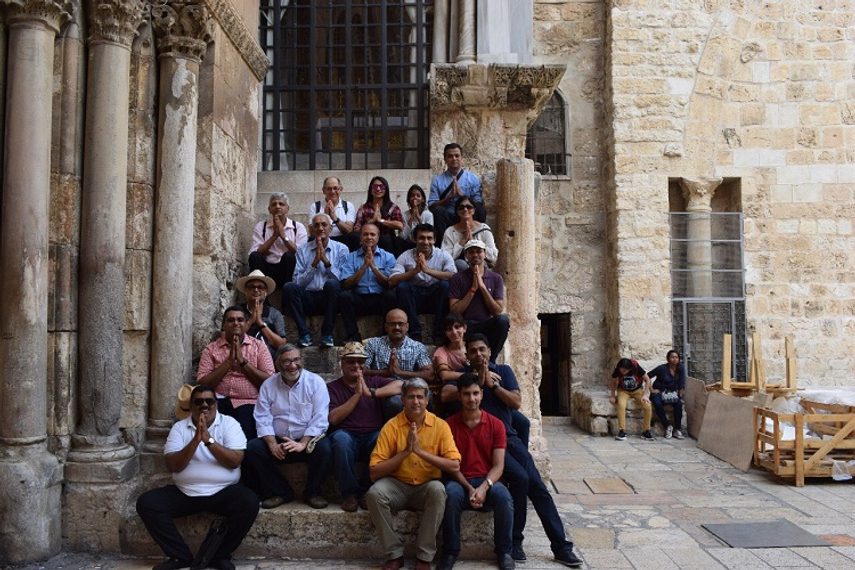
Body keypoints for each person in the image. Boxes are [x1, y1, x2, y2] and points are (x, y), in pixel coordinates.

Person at [440, 335, 583, 568]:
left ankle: (561, 547)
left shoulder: (503, 372)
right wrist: (478, 380)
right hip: (485, 443)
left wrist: (493, 385)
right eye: (473, 351)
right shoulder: (465, 379)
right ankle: (514, 542)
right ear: (467, 355)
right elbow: (445, 395)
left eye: (482, 350)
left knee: (538, 487)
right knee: (520, 478)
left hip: (509, 439)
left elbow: (516, 402)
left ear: (489, 351)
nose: (479, 355)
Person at [136, 385, 259, 570]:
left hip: (223, 492)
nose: (204, 406)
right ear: (191, 406)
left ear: (216, 405)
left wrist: (208, 440)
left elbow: (235, 461)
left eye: (209, 401)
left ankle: (219, 556)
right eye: (198, 402)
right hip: (186, 492)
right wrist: (195, 440)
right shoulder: (179, 428)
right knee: (147, 503)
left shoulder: (229, 424)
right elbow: (174, 465)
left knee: (249, 501)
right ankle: (179, 556)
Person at [365, 378, 462, 570]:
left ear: (427, 400)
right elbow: (374, 472)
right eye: (411, 397)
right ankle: (394, 555)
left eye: (420, 397)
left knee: (438, 490)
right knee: (374, 494)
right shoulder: (391, 426)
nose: (415, 402)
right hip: (397, 485)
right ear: (402, 400)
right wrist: (405, 452)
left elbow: (454, 466)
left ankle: (424, 557)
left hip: (426, 486)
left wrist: (419, 451)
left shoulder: (440, 426)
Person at [438, 374, 515, 570]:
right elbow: (450, 465)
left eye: (475, 393)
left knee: (504, 496)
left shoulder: (496, 424)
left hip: (487, 481)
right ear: (459, 396)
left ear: (481, 394)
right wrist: (470, 489)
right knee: (451, 494)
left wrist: (483, 487)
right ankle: (450, 552)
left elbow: (499, 466)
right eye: (466, 394)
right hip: (459, 480)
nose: (471, 399)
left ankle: (504, 551)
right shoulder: (448, 425)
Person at [246, 344, 333, 509]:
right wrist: (271, 444)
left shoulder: (315, 382)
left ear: (301, 360)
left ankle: (312, 492)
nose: (293, 366)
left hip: (307, 441)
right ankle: (281, 492)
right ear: (277, 364)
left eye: (296, 360)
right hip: (279, 443)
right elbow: (263, 417)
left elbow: (320, 418)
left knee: (325, 449)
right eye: (286, 362)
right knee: (253, 448)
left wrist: (303, 443)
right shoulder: (268, 385)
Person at [327, 341, 403, 512]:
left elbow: (401, 385)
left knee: (382, 438)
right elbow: (333, 418)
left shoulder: (374, 380)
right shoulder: (332, 387)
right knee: (340, 440)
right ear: (342, 364)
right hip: (347, 434)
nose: (356, 365)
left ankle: (365, 490)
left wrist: (372, 392)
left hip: (372, 434)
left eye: (360, 362)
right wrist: (357, 395)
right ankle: (349, 493)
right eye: (351, 361)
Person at [197, 306, 275, 440]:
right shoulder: (211, 349)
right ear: (223, 324)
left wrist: (242, 362)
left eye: (240, 320)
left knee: (245, 434)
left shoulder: (259, 346)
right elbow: (203, 383)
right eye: (230, 320)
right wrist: (228, 363)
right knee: (213, 433)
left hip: (249, 402)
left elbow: (270, 381)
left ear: (246, 324)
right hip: (219, 401)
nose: (236, 323)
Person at [282, 213, 348, 348]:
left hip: (330, 299)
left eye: (324, 224)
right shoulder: (302, 250)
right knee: (289, 287)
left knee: (332, 284)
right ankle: (304, 334)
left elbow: (342, 282)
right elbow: (298, 282)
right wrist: (314, 264)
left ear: (330, 229)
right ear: (311, 229)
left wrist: (327, 263)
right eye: (316, 225)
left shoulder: (341, 249)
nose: (320, 228)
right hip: (308, 297)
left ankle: (327, 334)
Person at [389, 223, 456, 343]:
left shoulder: (443, 255)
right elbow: (392, 281)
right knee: (402, 287)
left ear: (434, 240)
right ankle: (415, 333)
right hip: (414, 298)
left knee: (445, 285)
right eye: (421, 238)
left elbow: (453, 276)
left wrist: (427, 271)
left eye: (429, 238)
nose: (425, 242)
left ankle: (439, 332)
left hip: (435, 298)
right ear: (415, 239)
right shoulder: (405, 256)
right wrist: (414, 271)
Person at [448, 239, 510, 361]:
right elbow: (454, 310)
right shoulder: (458, 278)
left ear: (485, 254)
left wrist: (482, 287)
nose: (475, 255)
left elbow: (497, 311)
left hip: (486, 324)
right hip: (466, 325)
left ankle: (491, 362)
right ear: (466, 255)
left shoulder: (495, 278)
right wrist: (473, 289)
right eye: (471, 252)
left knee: (503, 320)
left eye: (478, 251)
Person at [338, 223, 397, 342]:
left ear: (378, 237)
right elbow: (346, 285)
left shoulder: (388, 257)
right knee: (344, 296)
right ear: (360, 237)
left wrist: (373, 267)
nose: (369, 237)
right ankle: (353, 335)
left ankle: (385, 335)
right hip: (359, 298)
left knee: (391, 295)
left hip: (379, 299)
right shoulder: (351, 257)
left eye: (372, 234)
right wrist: (364, 267)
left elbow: (389, 284)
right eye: (365, 234)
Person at [248, 192, 308, 288]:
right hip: (267, 268)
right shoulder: (261, 226)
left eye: (281, 204)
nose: (277, 206)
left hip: (287, 269)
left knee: (289, 256)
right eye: (274, 204)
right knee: (255, 256)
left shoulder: (298, 227)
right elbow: (256, 252)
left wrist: (283, 235)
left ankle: (287, 293)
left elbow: (301, 253)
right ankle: (262, 296)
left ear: (287, 209)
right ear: (269, 210)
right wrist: (275, 236)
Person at [428, 143, 485, 241]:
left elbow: (478, 202)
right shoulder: (437, 180)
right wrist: (449, 197)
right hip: (448, 215)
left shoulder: (472, 178)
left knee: (480, 209)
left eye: (457, 156)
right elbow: (431, 205)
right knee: (438, 211)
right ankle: (443, 243)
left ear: (461, 158)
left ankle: (478, 240)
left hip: (467, 214)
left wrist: (462, 196)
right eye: (450, 156)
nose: (454, 159)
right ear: (445, 159)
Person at [237, 269, 287, 360]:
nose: (256, 290)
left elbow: (281, 345)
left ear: (265, 293)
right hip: (242, 358)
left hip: (269, 359)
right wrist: (251, 321)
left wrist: (260, 322)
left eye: (260, 287)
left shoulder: (275, 314)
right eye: (251, 287)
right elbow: (229, 338)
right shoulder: (237, 311)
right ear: (246, 291)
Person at [441, 195, 498, 272]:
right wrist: (462, 242)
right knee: (460, 264)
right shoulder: (450, 231)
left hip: (482, 268)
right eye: (461, 207)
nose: (465, 209)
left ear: (474, 210)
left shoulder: (484, 229)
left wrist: (473, 242)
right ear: (457, 211)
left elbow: (493, 255)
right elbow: (444, 257)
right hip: (459, 271)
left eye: (469, 207)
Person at [352, 175, 406, 256]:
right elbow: (356, 229)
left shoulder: (393, 207)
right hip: (368, 241)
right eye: (375, 186)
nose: (378, 189)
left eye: (381, 186)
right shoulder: (363, 208)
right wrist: (372, 221)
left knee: (386, 240)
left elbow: (400, 225)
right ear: (370, 190)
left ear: (386, 189)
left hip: (387, 243)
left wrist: (381, 221)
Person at [609, 357, 654, 441]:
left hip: (637, 390)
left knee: (647, 405)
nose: (622, 372)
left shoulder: (636, 367)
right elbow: (613, 381)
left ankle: (647, 431)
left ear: (629, 369)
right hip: (623, 391)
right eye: (621, 370)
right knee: (621, 405)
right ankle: (622, 431)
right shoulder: (618, 369)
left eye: (624, 371)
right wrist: (612, 395)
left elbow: (647, 380)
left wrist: (645, 395)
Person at [308, 175, 357, 248]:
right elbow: (312, 231)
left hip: (342, 239)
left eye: (335, 188)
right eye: (329, 189)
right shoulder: (315, 206)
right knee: (311, 239)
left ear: (341, 190)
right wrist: (325, 216)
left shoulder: (348, 206)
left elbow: (349, 230)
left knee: (354, 237)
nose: (333, 191)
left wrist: (335, 218)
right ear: (324, 190)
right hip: (322, 239)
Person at [647, 350, 686, 439]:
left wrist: (680, 396)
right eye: (672, 357)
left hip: (671, 393)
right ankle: (667, 426)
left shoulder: (681, 368)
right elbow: (647, 376)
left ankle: (677, 429)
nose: (674, 359)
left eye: (676, 357)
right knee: (657, 403)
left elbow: (682, 384)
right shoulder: (662, 368)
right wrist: (652, 390)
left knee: (678, 404)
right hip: (659, 391)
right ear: (668, 358)